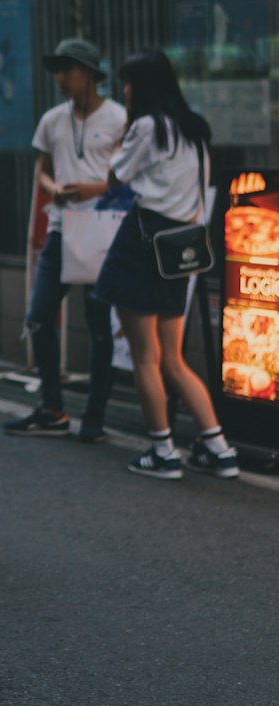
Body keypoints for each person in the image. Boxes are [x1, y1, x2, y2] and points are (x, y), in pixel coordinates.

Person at [93, 48, 238, 480]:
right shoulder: (193, 129)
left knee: (145, 357)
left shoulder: (147, 127)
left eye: (128, 82)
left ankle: (162, 452)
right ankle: (218, 447)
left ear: (142, 86)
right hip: (179, 247)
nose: (124, 90)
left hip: (142, 243)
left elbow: (115, 176)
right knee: (173, 358)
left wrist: (123, 135)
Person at [4, 38, 127, 442]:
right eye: (57, 69)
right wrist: (53, 187)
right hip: (61, 227)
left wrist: (93, 188)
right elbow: (41, 170)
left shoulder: (118, 119)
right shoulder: (52, 120)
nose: (60, 77)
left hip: (102, 230)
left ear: (89, 74)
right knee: (38, 317)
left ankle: (94, 417)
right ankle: (53, 408)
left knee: (98, 325)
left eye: (68, 69)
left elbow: (126, 180)